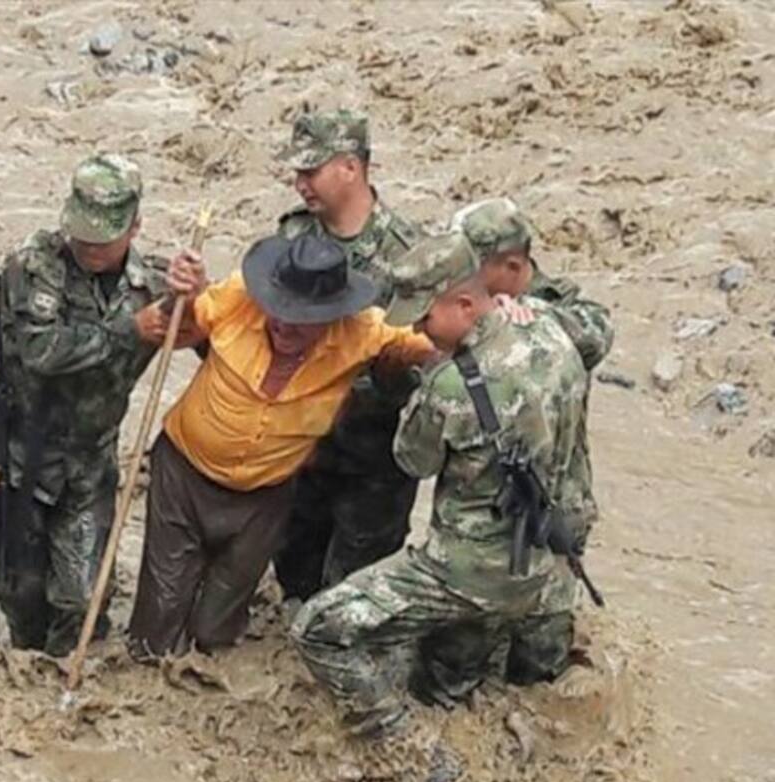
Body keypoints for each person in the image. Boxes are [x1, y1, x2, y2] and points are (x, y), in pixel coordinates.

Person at [290, 232, 590, 736]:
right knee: (464, 674)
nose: (418, 331)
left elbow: (413, 461)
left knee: (317, 629)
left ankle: (402, 744)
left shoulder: (449, 387)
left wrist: (420, 380)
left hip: (464, 571)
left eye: (425, 317)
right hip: (546, 559)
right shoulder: (551, 330)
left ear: (466, 304)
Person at [127, 232, 436, 659]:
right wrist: (180, 294)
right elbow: (177, 328)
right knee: (156, 626)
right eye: (279, 310)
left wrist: (500, 317)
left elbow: (438, 338)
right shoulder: (239, 295)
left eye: (301, 317)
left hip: (264, 497)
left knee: (216, 629)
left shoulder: (363, 331)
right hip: (184, 477)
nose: (284, 325)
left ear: (332, 314)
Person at [0, 153, 171, 657]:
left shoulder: (151, 286)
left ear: (134, 227)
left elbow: (211, 324)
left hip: (89, 463)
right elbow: (41, 351)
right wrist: (129, 330)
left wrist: (195, 292)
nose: (89, 248)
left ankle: (66, 670)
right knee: (18, 591)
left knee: (82, 599)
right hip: (20, 455)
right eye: (82, 235)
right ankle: (25, 662)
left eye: (102, 239)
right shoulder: (32, 265)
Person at [450, 198, 614, 680]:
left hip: (555, 499)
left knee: (542, 648)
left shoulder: (567, 308)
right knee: (465, 640)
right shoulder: (464, 306)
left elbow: (596, 334)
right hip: (484, 503)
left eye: (471, 268)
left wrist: (531, 315)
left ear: (512, 266)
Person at [269, 109, 424, 603]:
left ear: (351, 167)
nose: (300, 183)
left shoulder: (409, 257)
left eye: (311, 171)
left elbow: (427, 357)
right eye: (297, 172)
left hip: (372, 459)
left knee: (352, 594)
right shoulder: (293, 238)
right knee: (295, 571)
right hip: (301, 448)